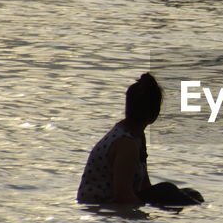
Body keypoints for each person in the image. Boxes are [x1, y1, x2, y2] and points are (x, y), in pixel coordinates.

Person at [77, 73, 202, 208]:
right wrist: (149, 215)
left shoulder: (137, 137)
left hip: (117, 199)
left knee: (191, 194)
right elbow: (122, 195)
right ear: (154, 114)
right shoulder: (126, 145)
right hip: (102, 204)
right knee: (168, 190)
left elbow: (144, 186)